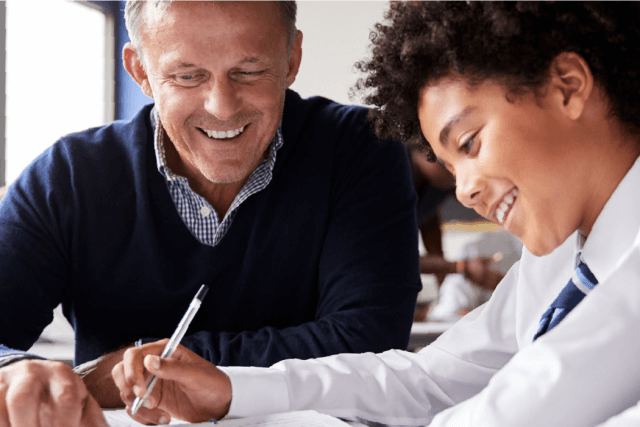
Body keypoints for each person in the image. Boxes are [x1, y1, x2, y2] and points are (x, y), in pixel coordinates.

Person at [112, 0, 640, 426]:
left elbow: (527, 402)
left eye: (470, 142)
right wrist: (234, 388)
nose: (467, 190)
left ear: (568, 86)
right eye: (449, 164)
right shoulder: (555, 266)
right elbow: (428, 380)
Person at [0, 0, 421, 424]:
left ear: (291, 58)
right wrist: (16, 374)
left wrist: (135, 370)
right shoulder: (69, 176)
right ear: (141, 71)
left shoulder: (361, 148)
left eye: (249, 72)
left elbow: (370, 345)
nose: (222, 106)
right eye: (187, 76)